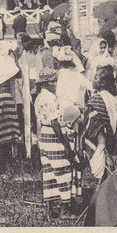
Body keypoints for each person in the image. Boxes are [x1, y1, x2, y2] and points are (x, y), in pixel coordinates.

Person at [35, 69, 80, 219]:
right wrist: (66, 145)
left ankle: (49, 209)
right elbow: (55, 123)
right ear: (47, 83)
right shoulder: (51, 98)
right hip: (54, 136)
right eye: (54, 81)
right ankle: (64, 209)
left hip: (44, 136)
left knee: (49, 171)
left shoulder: (39, 97)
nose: (56, 84)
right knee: (63, 171)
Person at [83, 65, 117, 181]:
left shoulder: (97, 99)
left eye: (95, 77)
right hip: (111, 141)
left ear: (102, 82)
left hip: (99, 142)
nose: (92, 79)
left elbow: (94, 126)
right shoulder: (113, 98)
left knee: (97, 173)